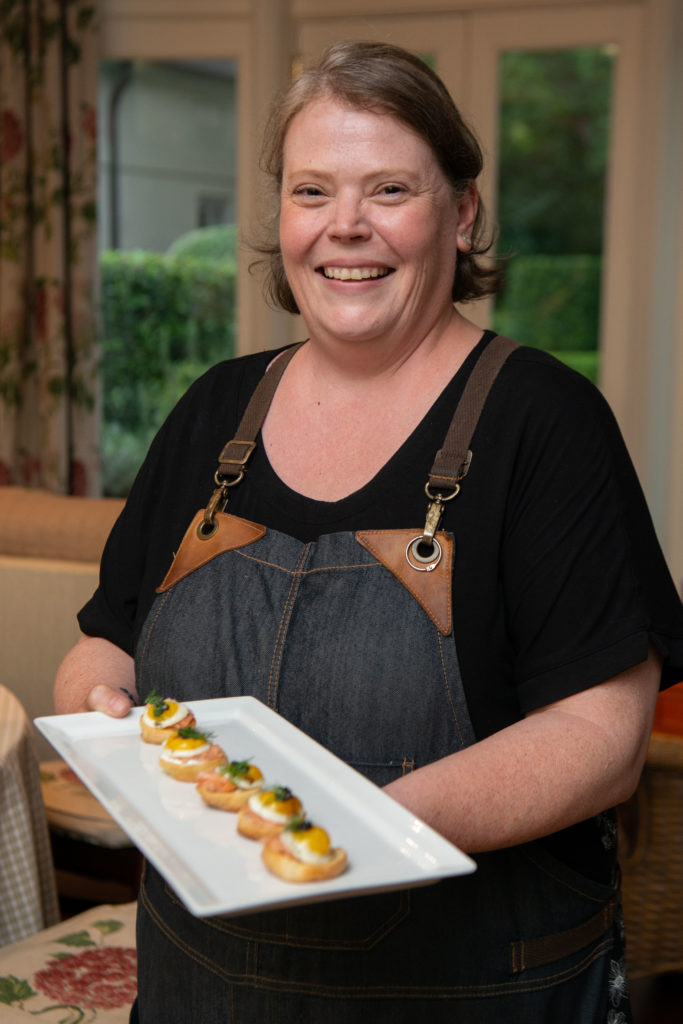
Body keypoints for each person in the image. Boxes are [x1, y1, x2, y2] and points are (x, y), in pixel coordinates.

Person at [55, 41, 683, 1023]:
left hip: (465, 989)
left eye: (388, 188)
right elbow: (107, 637)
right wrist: (101, 712)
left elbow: (599, 738)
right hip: (203, 986)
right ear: (281, 217)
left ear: (460, 211)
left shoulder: (544, 423)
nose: (344, 226)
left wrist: (358, 830)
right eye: (312, 191)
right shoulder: (216, 409)